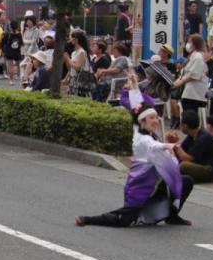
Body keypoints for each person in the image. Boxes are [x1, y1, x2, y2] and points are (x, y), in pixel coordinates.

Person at [76, 88, 192, 227]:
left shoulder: (146, 132)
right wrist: (168, 146)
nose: (155, 121)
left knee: (185, 181)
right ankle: (88, 219)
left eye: (156, 117)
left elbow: (138, 106)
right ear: (142, 122)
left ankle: (172, 216)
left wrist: (134, 86)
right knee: (124, 220)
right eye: (151, 118)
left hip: (154, 186)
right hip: (139, 189)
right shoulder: (142, 140)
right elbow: (152, 146)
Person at [173, 111, 213, 183]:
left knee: (184, 166)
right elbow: (181, 151)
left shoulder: (204, 137)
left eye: (181, 124)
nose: (180, 127)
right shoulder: (192, 135)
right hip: (202, 166)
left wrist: (175, 146)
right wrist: (172, 144)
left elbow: (187, 158)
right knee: (174, 161)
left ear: (186, 126)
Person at [172, 34, 209, 116]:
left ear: (195, 44)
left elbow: (193, 75)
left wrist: (179, 82)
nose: (187, 44)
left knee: (189, 115)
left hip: (194, 94)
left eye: (189, 42)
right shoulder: (193, 55)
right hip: (189, 92)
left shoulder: (198, 57)